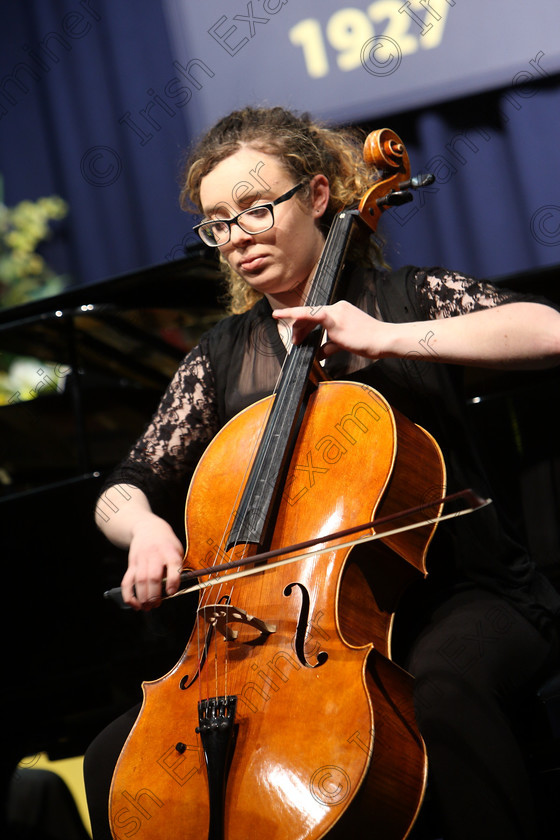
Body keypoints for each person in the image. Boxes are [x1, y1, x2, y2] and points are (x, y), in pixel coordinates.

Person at [84, 106, 560, 840]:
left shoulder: (403, 298)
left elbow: (548, 330)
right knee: (112, 754)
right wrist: (143, 529)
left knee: (445, 695)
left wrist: (388, 338)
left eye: (255, 208)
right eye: (219, 222)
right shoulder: (221, 357)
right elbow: (129, 482)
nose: (237, 236)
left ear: (315, 195)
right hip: (286, 629)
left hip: (459, 594)